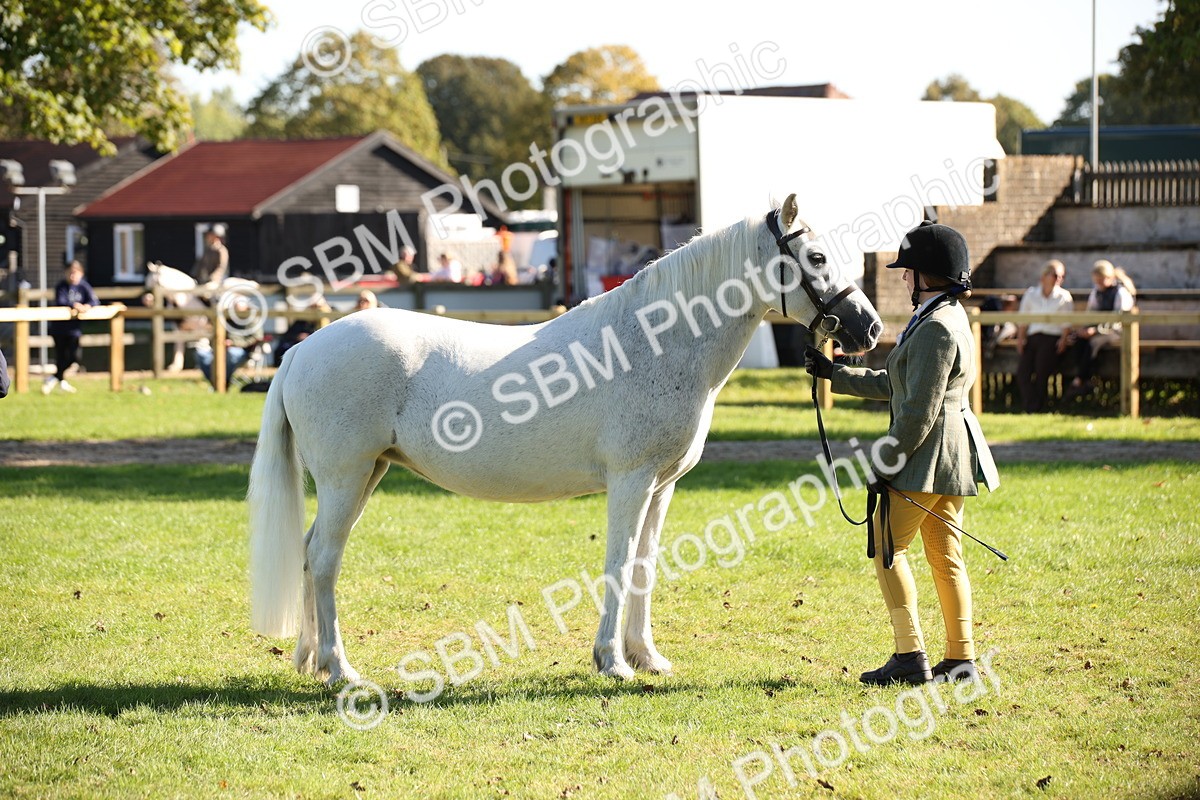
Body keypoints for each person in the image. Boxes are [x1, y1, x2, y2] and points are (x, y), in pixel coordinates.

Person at [805, 221, 1000, 686]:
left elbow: (916, 411)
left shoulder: (935, 328)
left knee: (887, 550)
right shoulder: (947, 318)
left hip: (926, 457)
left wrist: (884, 463)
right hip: (951, 458)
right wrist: (836, 373)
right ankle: (960, 658)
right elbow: (898, 382)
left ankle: (910, 654)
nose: (903, 278)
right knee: (945, 555)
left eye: (908, 271)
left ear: (928, 275)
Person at [1063, 259, 1136, 402]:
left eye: (1101, 281)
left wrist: (1095, 331)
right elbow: (1091, 314)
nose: (1099, 284)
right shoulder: (1096, 292)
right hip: (1099, 330)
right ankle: (1086, 379)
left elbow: (1118, 321)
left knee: (1093, 344)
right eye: (1097, 281)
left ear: (1110, 278)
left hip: (1118, 332)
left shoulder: (1121, 293)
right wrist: (1085, 329)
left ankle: (1079, 380)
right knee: (1079, 341)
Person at [1015, 260, 1074, 413]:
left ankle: (1037, 407)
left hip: (1051, 338)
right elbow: (1023, 319)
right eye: (1055, 275)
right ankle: (1031, 405)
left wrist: (1063, 339)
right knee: (1023, 372)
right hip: (1033, 337)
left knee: (1042, 371)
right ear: (1044, 276)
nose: (1058, 279)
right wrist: (1021, 339)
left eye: (1062, 276)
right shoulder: (1031, 294)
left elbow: (1066, 323)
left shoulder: (1064, 296)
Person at [43, 260, 100, 394]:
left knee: (74, 357)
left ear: (81, 273)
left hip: (74, 329)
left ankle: (53, 378)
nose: (73, 276)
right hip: (59, 329)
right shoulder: (61, 286)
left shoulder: (84, 286)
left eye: (75, 273)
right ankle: (61, 381)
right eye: (70, 273)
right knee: (61, 356)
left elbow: (94, 300)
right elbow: (61, 301)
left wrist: (86, 306)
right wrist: (74, 305)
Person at [194, 223, 229, 288]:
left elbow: (221, 267)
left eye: (210, 235)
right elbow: (201, 265)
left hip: (216, 281)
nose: (208, 237)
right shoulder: (207, 250)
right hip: (204, 281)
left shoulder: (221, 250)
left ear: (216, 236)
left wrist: (213, 279)